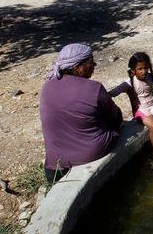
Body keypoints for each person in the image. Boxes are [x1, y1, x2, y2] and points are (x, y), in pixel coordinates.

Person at [40, 43, 123, 183]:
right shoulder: (94, 88)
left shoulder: (47, 86)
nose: (94, 65)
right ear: (77, 68)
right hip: (90, 155)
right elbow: (116, 117)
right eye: (90, 62)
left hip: (54, 166)